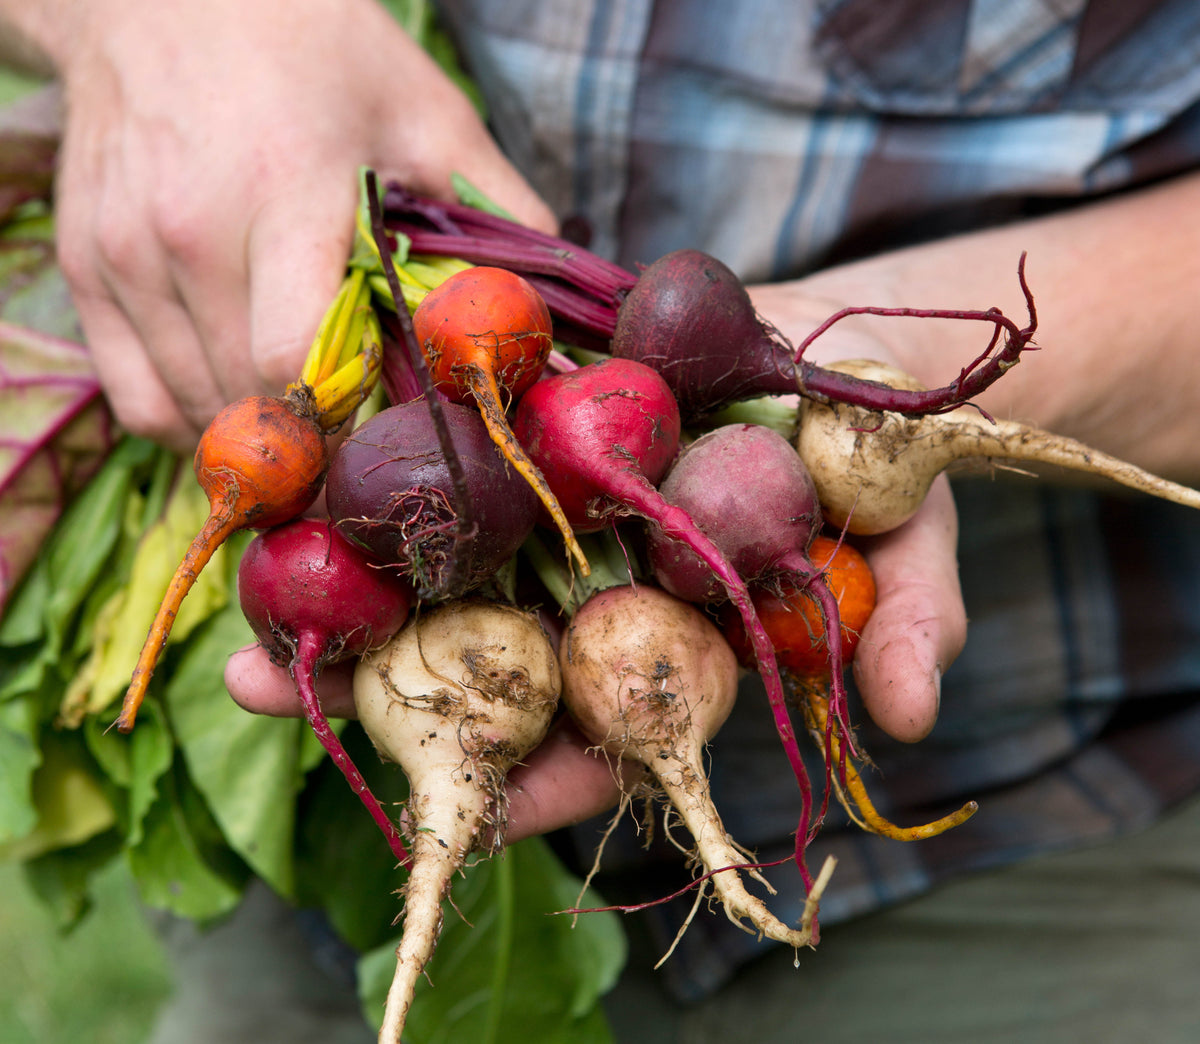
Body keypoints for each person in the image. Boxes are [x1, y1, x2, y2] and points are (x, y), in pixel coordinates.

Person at [5, 1, 1200, 1040]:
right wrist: (148, 20)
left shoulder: (633, 416)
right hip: (313, 920)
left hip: (1052, 828)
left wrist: (909, 367)